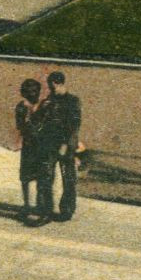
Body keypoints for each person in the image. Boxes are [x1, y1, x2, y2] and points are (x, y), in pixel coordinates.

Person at [43, 71, 83, 222]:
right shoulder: (50, 100)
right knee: (47, 176)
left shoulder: (72, 101)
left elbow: (74, 125)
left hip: (66, 145)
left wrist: (65, 144)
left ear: (58, 84)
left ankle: (67, 210)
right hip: (50, 144)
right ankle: (47, 208)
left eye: (52, 87)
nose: (51, 90)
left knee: (68, 178)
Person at [13, 78, 51, 224]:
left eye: (34, 91)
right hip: (30, 146)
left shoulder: (45, 106)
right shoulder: (22, 107)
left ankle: (39, 208)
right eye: (29, 91)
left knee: (41, 178)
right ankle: (28, 206)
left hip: (41, 147)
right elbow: (20, 126)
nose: (32, 94)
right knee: (26, 178)